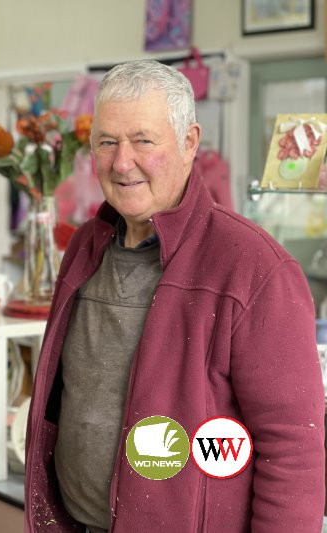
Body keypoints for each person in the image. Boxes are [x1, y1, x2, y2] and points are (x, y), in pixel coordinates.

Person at [24, 59, 325, 533]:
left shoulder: (255, 266)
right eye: (107, 142)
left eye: (143, 140)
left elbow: (293, 450)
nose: (123, 162)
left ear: (189, 142)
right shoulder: (85, 246)